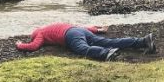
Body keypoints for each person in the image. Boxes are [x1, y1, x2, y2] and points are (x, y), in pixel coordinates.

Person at [16, 22, 156, 60]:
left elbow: (34, 46)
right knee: (108, 41)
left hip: (70, 35)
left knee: (82, 49)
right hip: (79, 30)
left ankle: (106, 53)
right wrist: (97, 30)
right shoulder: (50, 27)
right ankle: (142, 41)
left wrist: (20, 45)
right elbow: (81, 27)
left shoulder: (39, 33)